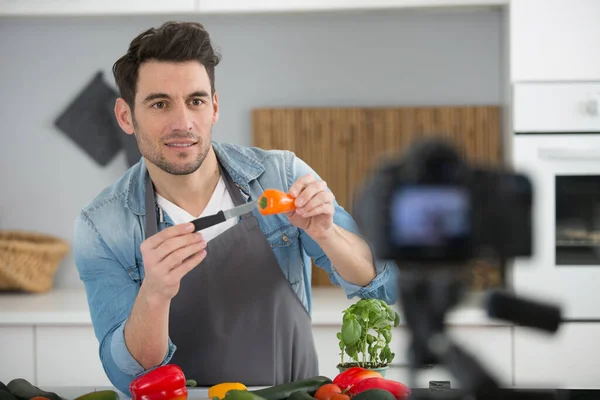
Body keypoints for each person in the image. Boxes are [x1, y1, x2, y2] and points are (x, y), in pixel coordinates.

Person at [73, 21, 398, 396]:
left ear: (214, 107)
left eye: (195, 101)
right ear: (126, 116)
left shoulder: (281, 175)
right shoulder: (101, 225)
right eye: (160, 104)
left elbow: (380, 288)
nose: (183, 123)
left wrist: (326, 232)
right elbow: (126, 374)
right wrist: (155, 292)